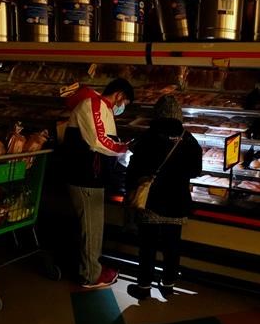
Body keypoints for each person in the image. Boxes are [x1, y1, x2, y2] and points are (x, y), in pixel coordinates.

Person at [125, 95, 202, 299]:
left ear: (157, 113)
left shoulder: (148, 137)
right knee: (172, 246)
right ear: (179, 115)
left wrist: (130, 188)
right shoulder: (189, 139)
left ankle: (143, 287)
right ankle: (168, 284)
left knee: (147, 246)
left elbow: (134, 167)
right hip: (178, 201)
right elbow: (196, 170)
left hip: (151, 201)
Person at [62, 77, 134, 288]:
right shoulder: (93, 104)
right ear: (119, 95)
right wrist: (124, 149)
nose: (122, 107)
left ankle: (91, 268)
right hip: (84, 177)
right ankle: (91, 276)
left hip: (92, 177)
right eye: (125, 102)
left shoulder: (103, 108)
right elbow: (98, 141)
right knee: (91, 228)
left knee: (93, 227)